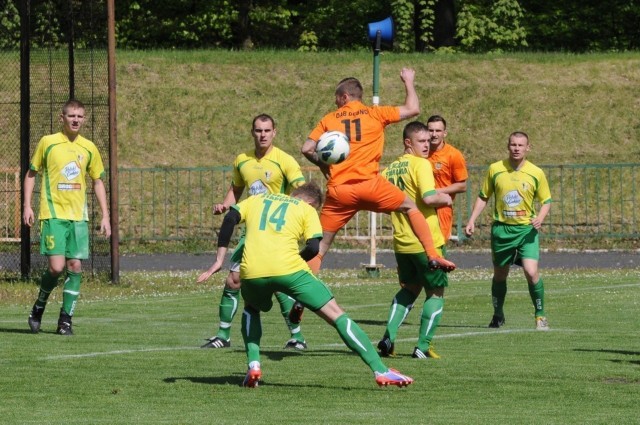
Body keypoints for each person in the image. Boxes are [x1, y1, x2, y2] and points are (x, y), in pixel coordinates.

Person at [197, 182, 414, 388]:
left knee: (251, 309)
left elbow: (229, 219)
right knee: (337, 315)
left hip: (252, 271)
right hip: (291, 270)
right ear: (311, 203)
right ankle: (380, 370)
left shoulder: (258, 199)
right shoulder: (306, 209)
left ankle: (253, 365)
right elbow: (312, 248)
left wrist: (219, 260)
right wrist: (292, 262)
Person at [300, 68, 455, 275]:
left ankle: (300, 294)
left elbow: (307, 148)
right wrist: (408, 81)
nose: (336, 104)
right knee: (410, 208)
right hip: (371, 185)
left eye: (337, 99)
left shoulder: (329, 119)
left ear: (344, 96)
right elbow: (413, 109)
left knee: (322, 246)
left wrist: (324, 166)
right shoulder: (375, 113)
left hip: (340, 191)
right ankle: (433, 255)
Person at [200, 113, 308, 350]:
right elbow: (236, 190)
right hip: (251, 232)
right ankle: (223, 335)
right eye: (258, 130)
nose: (263, 135)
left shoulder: (285, 161)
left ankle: (297, 337)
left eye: (267, 130)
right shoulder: (242, 160)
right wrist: (224, 206)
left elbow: (303, 192)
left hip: (276, 232)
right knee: (234, 280)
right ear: (252, 132)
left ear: (274, 132)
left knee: (278, 283)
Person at [23, 99, 111, 336]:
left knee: (75, 266)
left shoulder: (89, 147)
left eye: (80, 116)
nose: (75, 120)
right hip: (53, 215)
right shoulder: (48, 143)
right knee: (56, 267)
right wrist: (27, 206)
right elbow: (31, 174)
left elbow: (98, 181)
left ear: (84, 119)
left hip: (78, 218)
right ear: (62, 118)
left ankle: (65, 320)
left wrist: (105, 215)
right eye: (71, 115)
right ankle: (39, 306)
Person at [377, 122, 453, 359]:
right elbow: (429, 198)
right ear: (408, 143)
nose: (427, 145)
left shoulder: (388, 170)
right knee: (435, 292)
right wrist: (446, 198)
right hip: (425, 241)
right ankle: (423, 346)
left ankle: (389, 337)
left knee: (409, 289)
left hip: (401, 243)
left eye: (429, 140)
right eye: (422, 141)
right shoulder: (421, 164)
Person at [464, 131, 552, 330]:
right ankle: (498, 314)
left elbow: (546, 200)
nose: (516, 148)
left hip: (526, 232)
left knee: (531, 272)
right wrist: (472, 220)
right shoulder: (495, 169)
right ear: (508, 146)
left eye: (521, 145)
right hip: (502, 231)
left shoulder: (536, 172)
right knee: (500, 275)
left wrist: (540, 218)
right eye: (513, 145)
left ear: (528, 148)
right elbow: (483, 196)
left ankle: (540, 316)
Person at [426, 115, 468, 241]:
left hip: (441, 207)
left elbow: (462, 185)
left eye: (438, 131)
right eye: (430, 130)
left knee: (438, 246)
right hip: (421, 205)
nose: (434, 134)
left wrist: (436, 192)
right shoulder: (420, 151)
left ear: (444, 133)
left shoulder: (453, 154)